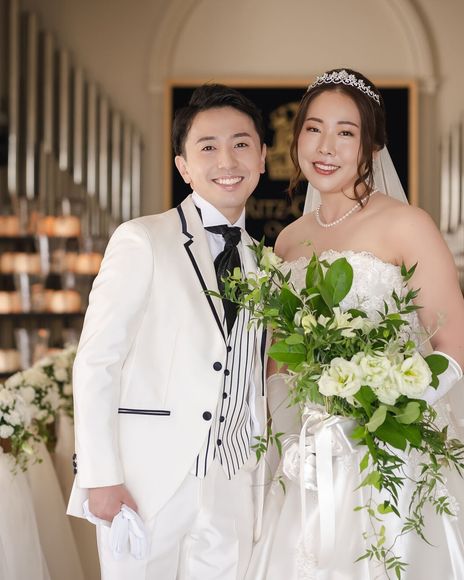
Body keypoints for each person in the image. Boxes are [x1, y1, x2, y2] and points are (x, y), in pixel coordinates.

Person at [246, 69, 464, 579]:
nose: (326, 147)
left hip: (392, 450)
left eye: (346, 132)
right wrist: (289, 438)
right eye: (314, 128)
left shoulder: (407, 224)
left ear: (371, 145)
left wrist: (383, 405)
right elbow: (280, 358)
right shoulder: (288, 240)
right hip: (311, 454)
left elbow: (456, 347)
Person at [67, 84, 268, 580]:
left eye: (242, 144)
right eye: (208, 147)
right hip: (145, 482)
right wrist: (100, 477)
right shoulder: (142, 239)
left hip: (232, 484)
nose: (227, 160)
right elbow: (97, 360)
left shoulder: (266, 263)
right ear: (183, 166)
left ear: (263, 157)